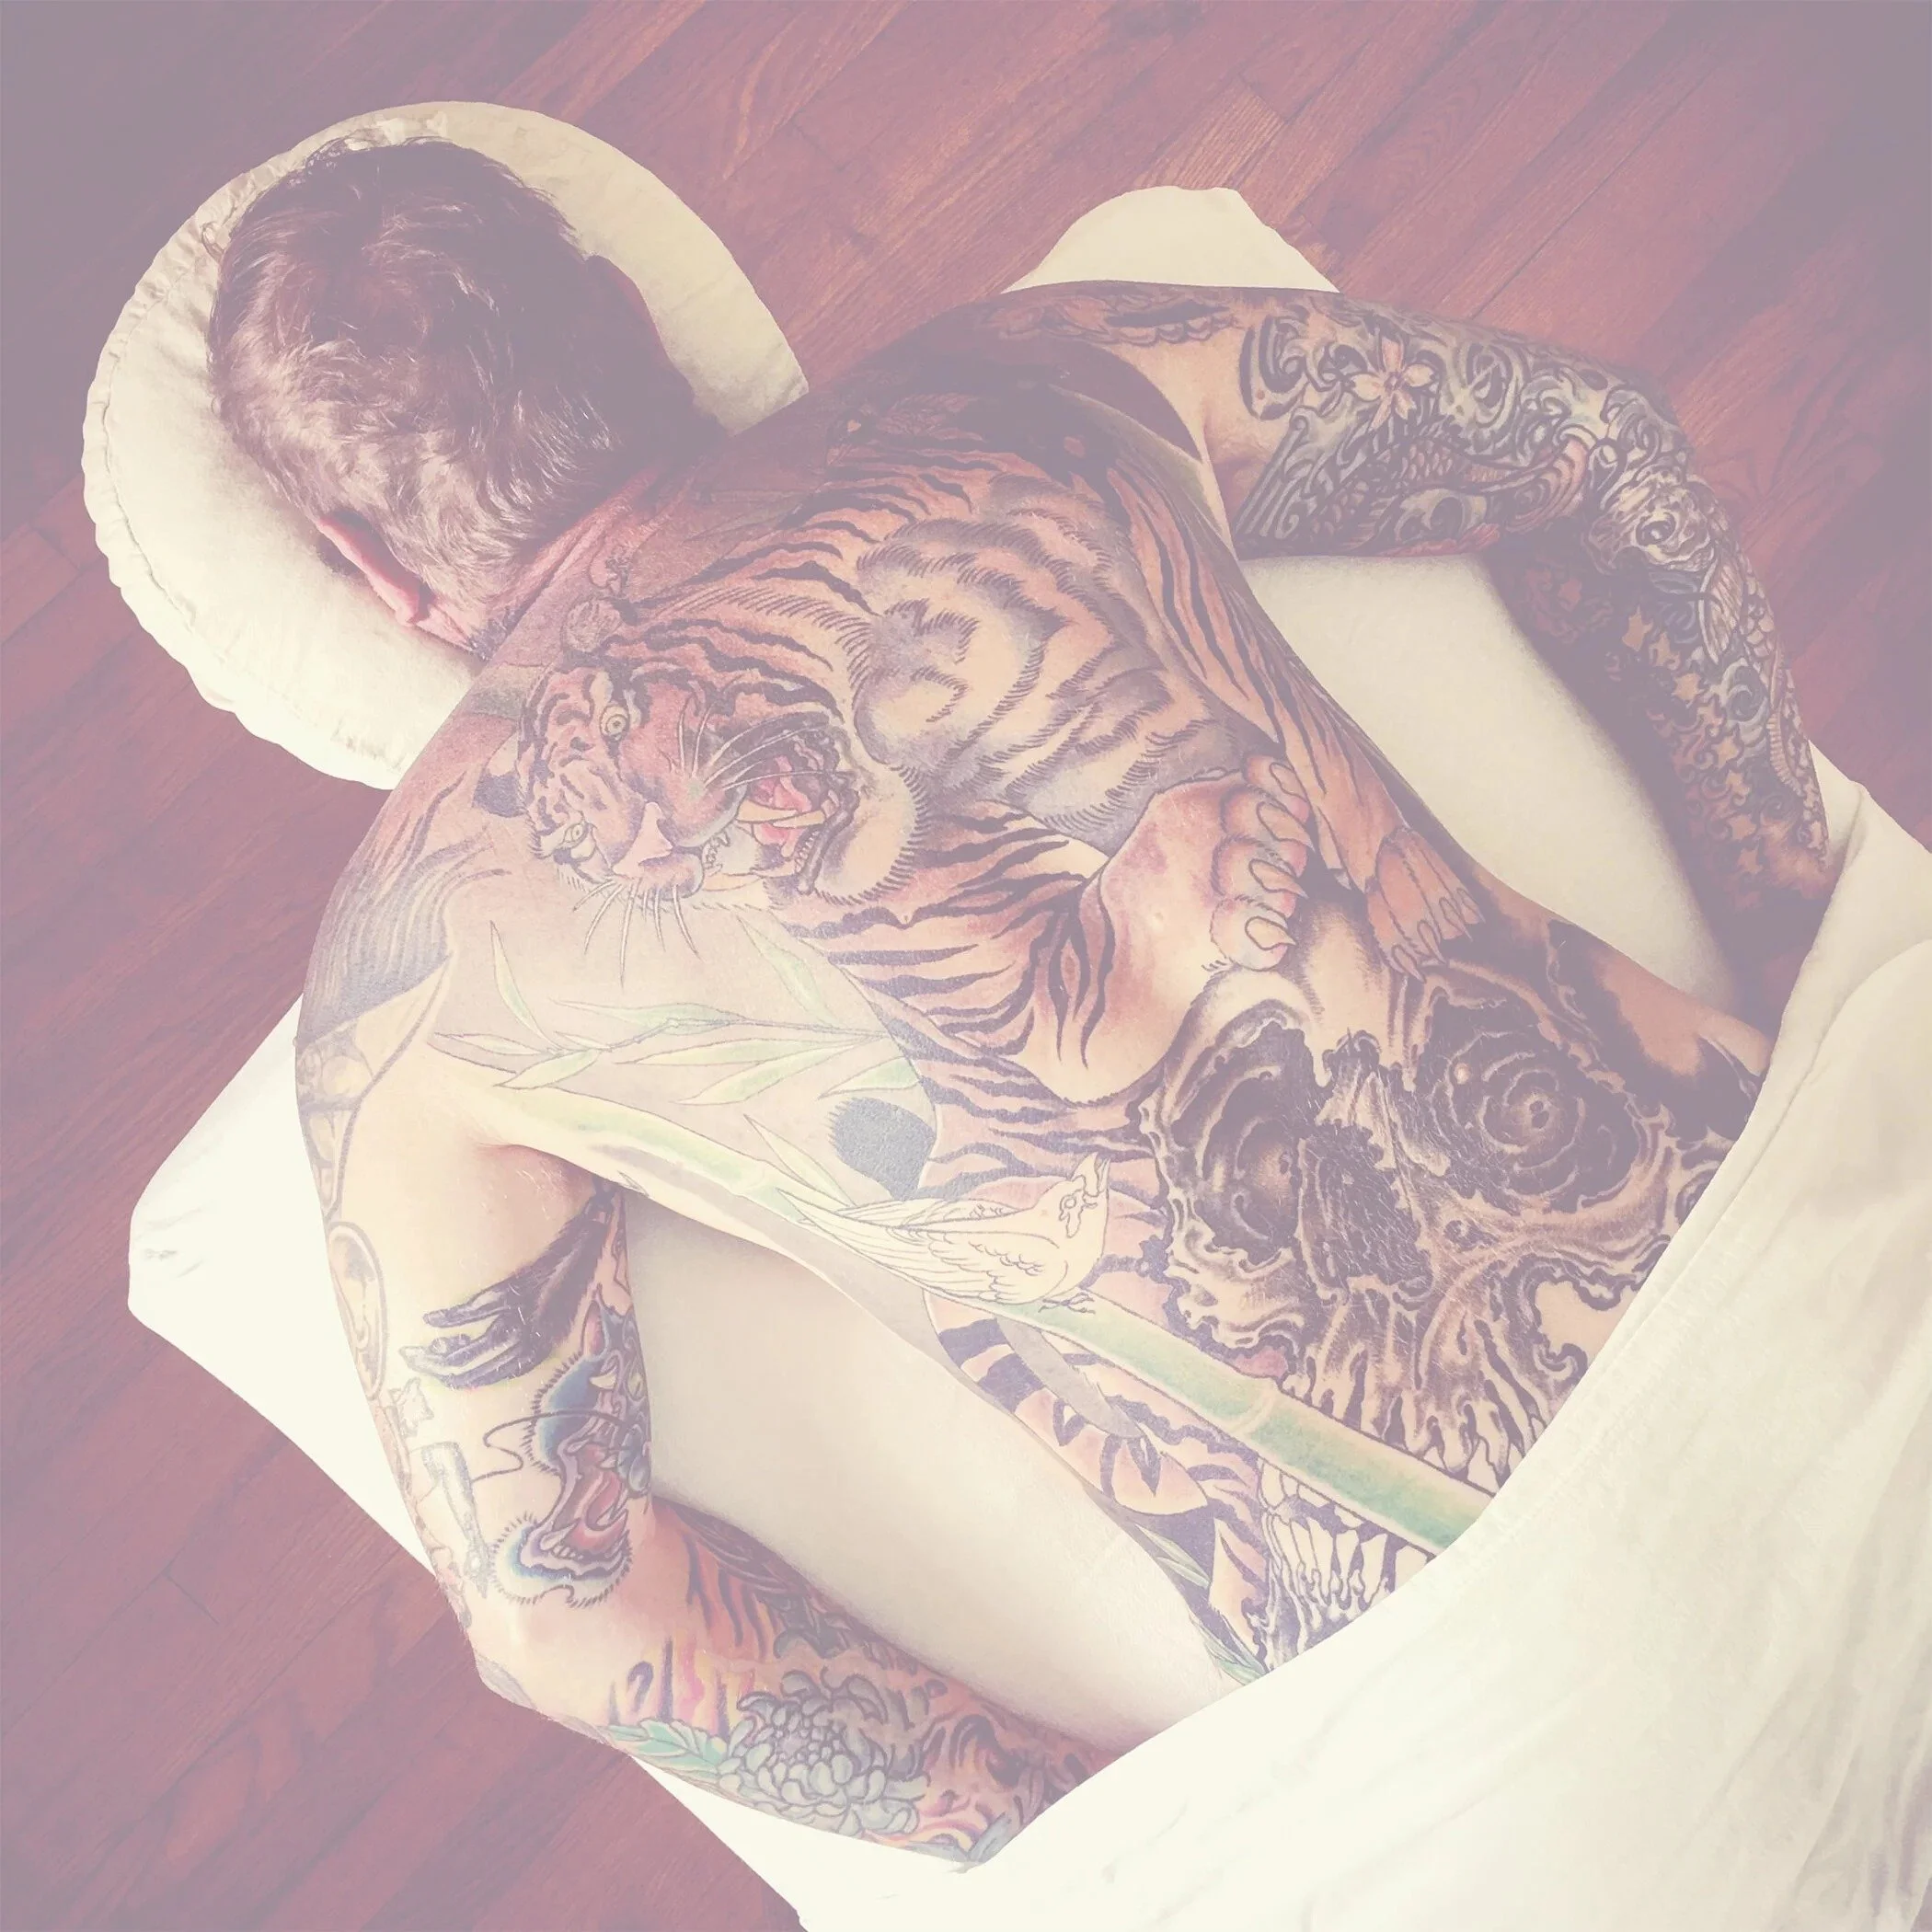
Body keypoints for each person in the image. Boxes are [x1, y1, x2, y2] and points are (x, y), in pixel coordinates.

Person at [209, 136, 1837, 1863]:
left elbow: (561, 1616)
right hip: (1800, 1222)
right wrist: (1809, 928)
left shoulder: (408, 988)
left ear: (371, 572)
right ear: (624, 314)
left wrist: (1100, 1825)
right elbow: (1599, 447)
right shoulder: (1037, 373)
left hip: (1507, 1675)